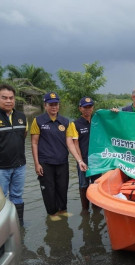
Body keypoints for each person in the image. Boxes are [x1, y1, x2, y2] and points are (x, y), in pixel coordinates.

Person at [31, 92, 86, 220]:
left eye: (56, 104)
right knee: (49, 189)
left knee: (62, 187)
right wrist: (36, 164)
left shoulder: (65, 122)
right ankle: (52, 213)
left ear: (59, 106)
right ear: (45, 105)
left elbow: (70, 143)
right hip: (45, 162)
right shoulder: (38, 121)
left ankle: (62, 210)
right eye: (51, 104)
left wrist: (79, 160)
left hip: (62, 161)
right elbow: (34, 143)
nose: (54, 107)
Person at [0, 84, 27, 226]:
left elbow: (23, 137)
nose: (8, 101)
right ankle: (2, 228)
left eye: (11, 98)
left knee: (17, 196)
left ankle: (18, 225)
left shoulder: (21, 117)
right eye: (4, 98)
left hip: (20, 166)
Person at [67, 97, 100, 211]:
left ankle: (96, 209)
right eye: (85, 107)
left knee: (96, 185)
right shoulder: (75, 124)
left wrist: (114, 112)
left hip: (97, 161)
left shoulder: (97, 122)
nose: (87, 109)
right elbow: (76, 144)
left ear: (93, 108)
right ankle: (85, 211)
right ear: (80, 108)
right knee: (83, 186)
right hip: (83, 160)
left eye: (90, 107)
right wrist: (80, 161)